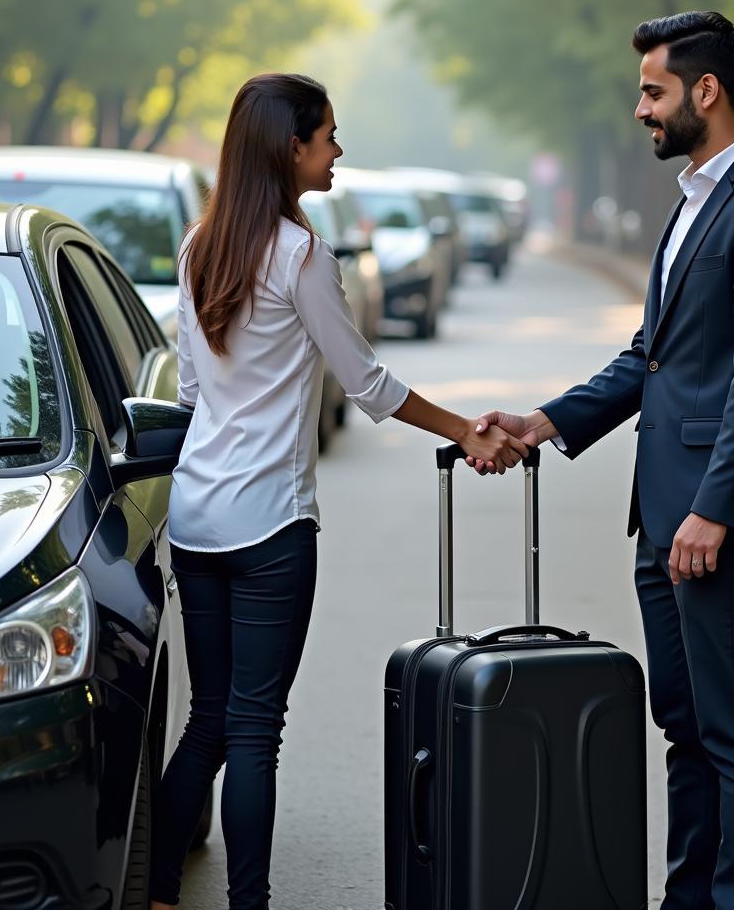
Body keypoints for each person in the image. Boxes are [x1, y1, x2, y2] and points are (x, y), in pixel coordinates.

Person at [469, 12, 734, 910]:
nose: (640, 110)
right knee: (685, 730)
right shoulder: (694, 204)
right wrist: (546, 421)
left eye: (653, 91)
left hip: (720, 520)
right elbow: (651, 356)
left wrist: (718, 508)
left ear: (707, 92)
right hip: (663, 514)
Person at [148, 72, 526, 910]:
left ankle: (160, 892)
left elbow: (187, 397)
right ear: (290, 148)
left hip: (198, 518)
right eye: (327, 136)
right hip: (271, 525)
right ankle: (250, 903)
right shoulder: (300, 253)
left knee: (207, 722)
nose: (337, 151)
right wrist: (464, 429)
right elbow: (367, 382)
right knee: (254, 732)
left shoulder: (199, 244)